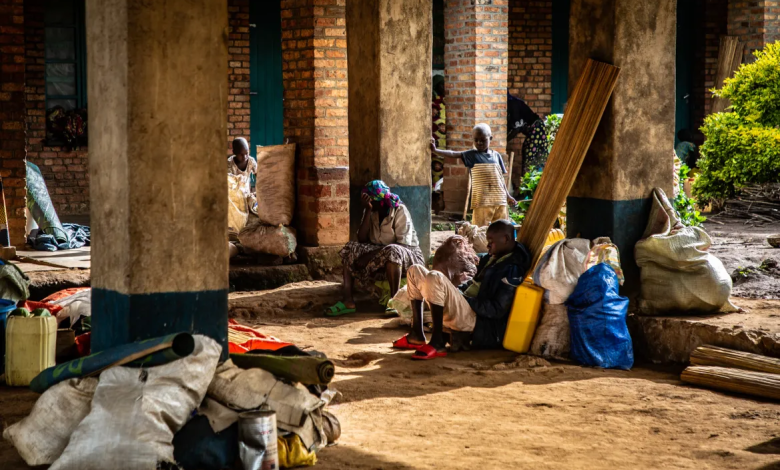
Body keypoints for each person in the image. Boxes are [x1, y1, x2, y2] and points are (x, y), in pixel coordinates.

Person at [393, 220, 532, 359]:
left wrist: (465, 300)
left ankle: (437, 342)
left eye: (491, 241)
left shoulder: (512, 269)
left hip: (478, 322)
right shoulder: (493, 258)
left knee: (435, 277)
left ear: (505, 239)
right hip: (466, 308)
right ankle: (417, 334)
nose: (488, 244)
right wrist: (457, 290)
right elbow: (473, 283)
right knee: (414, 270)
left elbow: (496, 309)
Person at [325, 180, 425, 317]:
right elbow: (362, 238)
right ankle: (348, 300)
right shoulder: (373, 212)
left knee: (393, 251)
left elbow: (403, 244)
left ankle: (394, 301)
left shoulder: (399, 210)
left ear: (381, 200)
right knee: (351, 248)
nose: (368, 203)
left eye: (370, 200)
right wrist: (367, 210)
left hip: (409, 257)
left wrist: (370, 255)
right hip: (381, 254)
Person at [430, 123, 516, 227]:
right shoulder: (472, 155)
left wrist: (508, 196)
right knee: (480, 230)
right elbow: (453, 154)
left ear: (490, 138)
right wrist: (435, 150)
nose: (479, 143)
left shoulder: (496, 156)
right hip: (482, 202)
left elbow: (501, 179)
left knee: (502, 228)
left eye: (483, 140)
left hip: (500, 201)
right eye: (476, 140)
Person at [507, 93, 548, 174]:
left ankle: (530, 181)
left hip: (537, 129)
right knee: (529, 153)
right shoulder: (512, 103)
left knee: (530, 157)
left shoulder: (513, 104)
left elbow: (516, 128)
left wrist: (504, 141)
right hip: (534, 130)